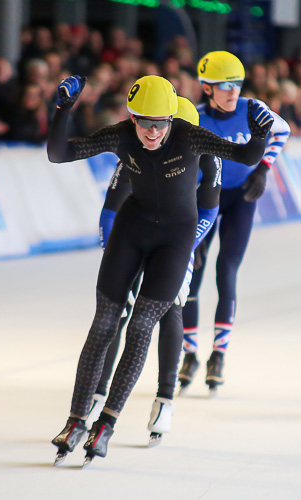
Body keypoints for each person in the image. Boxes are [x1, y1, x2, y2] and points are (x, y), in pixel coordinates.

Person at [47, 74, 273, 465]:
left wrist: (258, 136)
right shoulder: (123, 134)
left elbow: (246, 158)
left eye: (160, 124)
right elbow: (60, 153)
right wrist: (62, 111)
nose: (151, 132)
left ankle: (107, 424)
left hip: (175, 239)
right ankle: (75, 419)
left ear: (172, 120)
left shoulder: (188, 135)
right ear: (131, 118)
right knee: (103, 324)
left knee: (140, 327)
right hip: (131, 231)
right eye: (143, 123)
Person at [87, 97, 215, 447]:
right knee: (119, 310)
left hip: (181, 231)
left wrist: (182, 250)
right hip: (136, 229)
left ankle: (165, 397)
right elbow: (110, 211)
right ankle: (98, 391)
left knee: (171, 305)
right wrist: (114, 255)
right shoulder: (142, 148)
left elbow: (209, 209)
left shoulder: (206, 155)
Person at [179, 51, 291, 395]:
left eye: (237, 84)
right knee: (192, 274)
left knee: (226, 271)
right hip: (206, 198)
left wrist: (263, 169)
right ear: (207, 88)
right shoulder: (194, 118)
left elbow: (282, 130)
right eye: (225, 85)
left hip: (241, 198)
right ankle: (189, 354)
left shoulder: (252, 108)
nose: (233, 91)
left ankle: (218, 356)